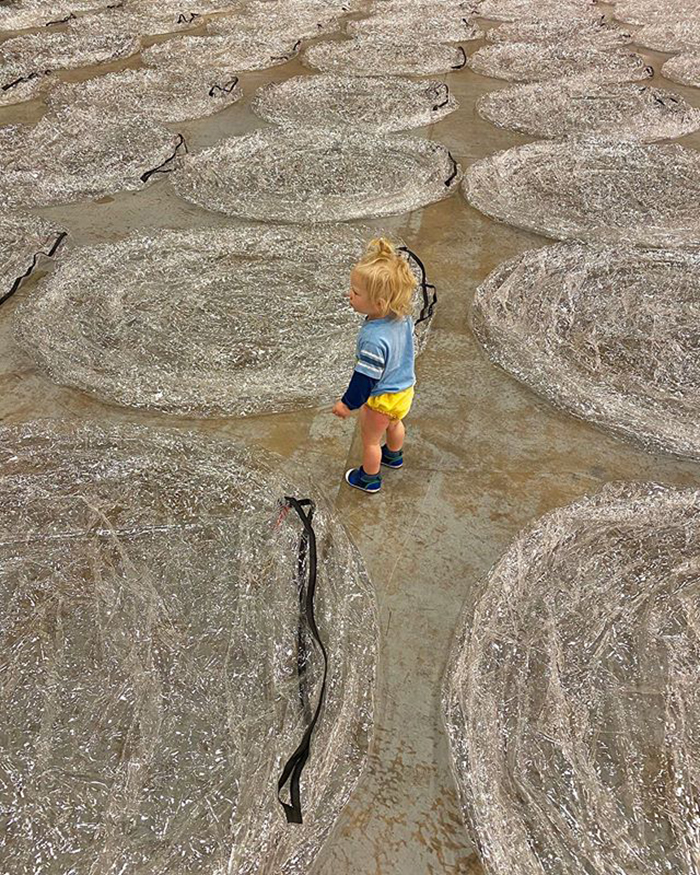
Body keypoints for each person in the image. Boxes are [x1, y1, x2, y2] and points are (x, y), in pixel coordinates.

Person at [332, 237, 416, 494]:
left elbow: (364, 378)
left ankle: (369, 478)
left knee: (369, 441)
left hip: (380, 399)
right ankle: (394, 455)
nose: (350, 295)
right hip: (404, 391)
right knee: (395, 423)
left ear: (379, 303)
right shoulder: (402, 318)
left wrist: (348, 403)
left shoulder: (372, 339)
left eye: (356, 293)